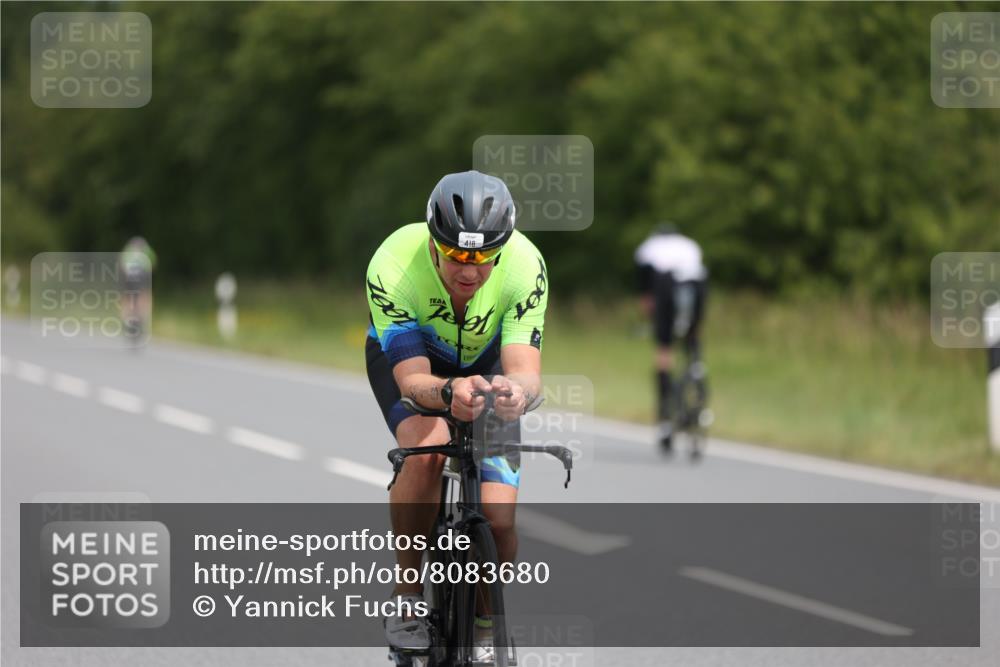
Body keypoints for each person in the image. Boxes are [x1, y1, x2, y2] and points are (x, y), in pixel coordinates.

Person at [365, 170, 547, 659]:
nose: (470, 270)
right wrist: (448, 394)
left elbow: (527, 374)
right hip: (414, 361)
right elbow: (411, 382)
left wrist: (516, 394)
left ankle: (486, 622)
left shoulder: (526, 265)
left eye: (485, 256)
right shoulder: (393, 263)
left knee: (499, 516)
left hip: (487, 363)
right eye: (457, 256)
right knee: (424, 452)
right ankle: (407, 596)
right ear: (433, 241)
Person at [634, 223, 708, 451]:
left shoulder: (649, 246)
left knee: (664, 350)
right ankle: (696, 367)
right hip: (697, 284)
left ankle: (665, 416)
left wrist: (648, 306)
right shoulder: (690, 245)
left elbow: (645, 284)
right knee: (693, 333)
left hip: (667, 284)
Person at [118, 236, 157, 341]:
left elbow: (121, 265)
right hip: (142, 276)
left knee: (126, 298)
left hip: (128, 277)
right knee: (145, 296)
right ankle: (143, 319)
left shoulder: (127, 250)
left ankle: (126, 319)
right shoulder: (147, 250)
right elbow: (152, 265)